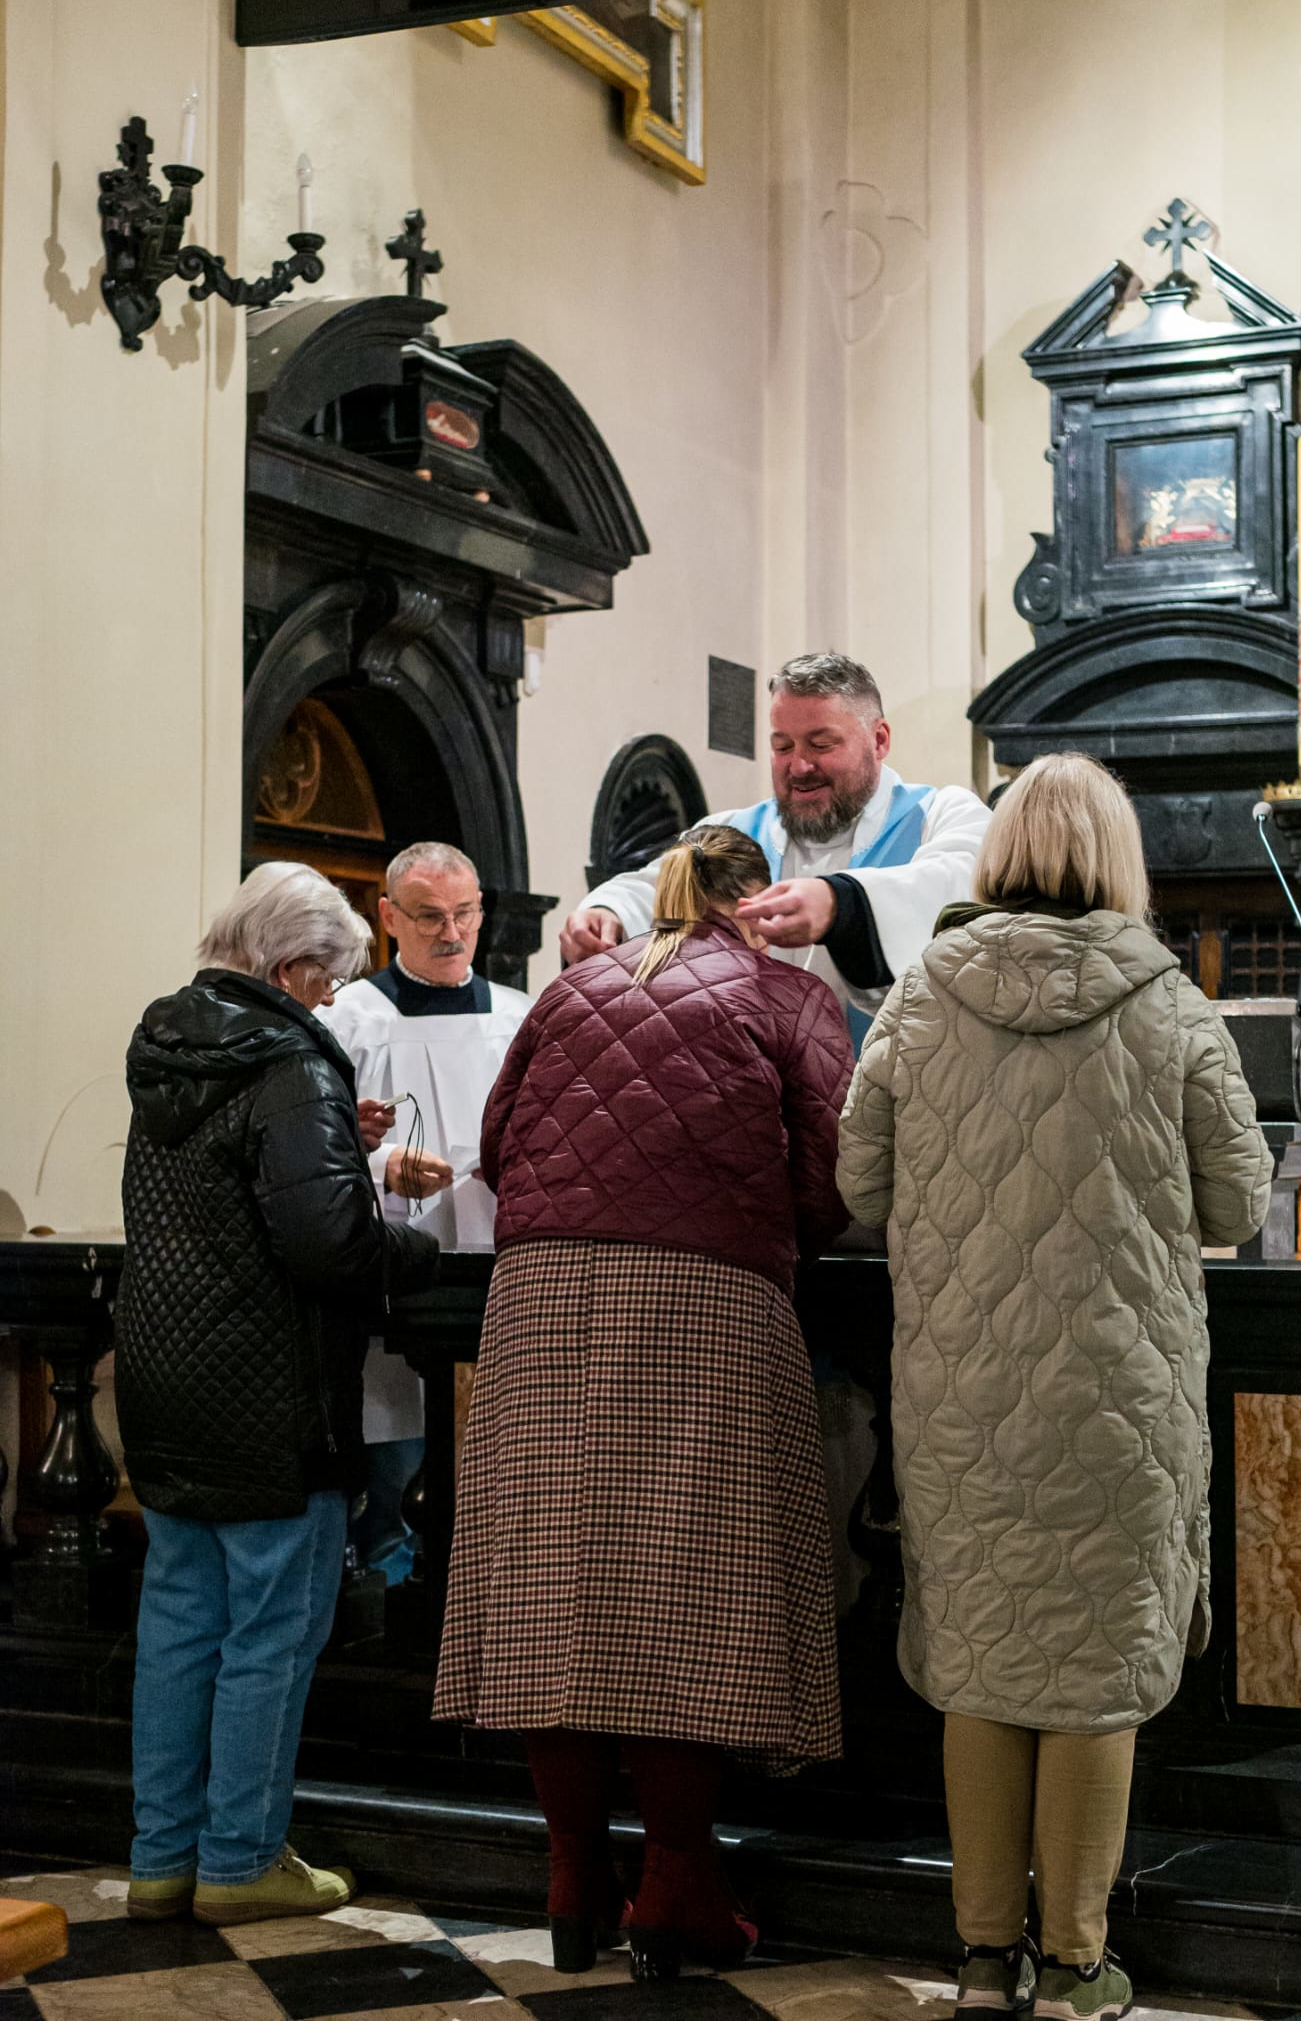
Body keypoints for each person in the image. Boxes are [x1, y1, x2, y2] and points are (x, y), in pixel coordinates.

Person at [836, 755, 1271, 2021]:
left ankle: (981, 1957)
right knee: (1093, 1665)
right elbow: (1241, 1200)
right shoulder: (1172, 1003)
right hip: (1122, 1395)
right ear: (1116, 858)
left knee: (979, 1654)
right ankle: (1077, 1965)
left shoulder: (919, 997)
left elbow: (859, 1185)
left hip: (962, 1390)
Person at [435, 825, 853, 1981]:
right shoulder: (785, 995)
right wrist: (768, 1234)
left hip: (540, 1298)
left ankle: (575, 1873)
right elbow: (836, 1176)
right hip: (704, 1301)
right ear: (754, 904)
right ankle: (679, 1876)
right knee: (687, 1583)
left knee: (550, 1581)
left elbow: (496, 1141)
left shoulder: (569, 990)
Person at [115, 862, 439, 1928]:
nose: (332, 1000)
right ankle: (242, 1858)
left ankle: (161, 1857)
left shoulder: (165, 1042)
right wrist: (413, 1250)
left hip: (165, 1377)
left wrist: (339, 1133)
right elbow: (327, 1242)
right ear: (291, 965)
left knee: (178, 1625)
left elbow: (226, 1201)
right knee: (268, 1629)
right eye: (329, 981)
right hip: (269, 1387)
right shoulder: (290, 1057)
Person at [559, 653, 993, 1049]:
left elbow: (961, 879)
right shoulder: (733, 830)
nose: (799, 767)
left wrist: (843, 906)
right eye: (783, 746)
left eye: (821, 745)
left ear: (878, 741)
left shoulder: (938, 815)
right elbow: (652, 888)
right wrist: (606, 913)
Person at [328, 841, 532, 1581]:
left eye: (465, 915)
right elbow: (316, 1150)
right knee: (395, 1472)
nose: (451, 934)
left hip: (495, 1269)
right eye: (429, 917)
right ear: (388, 917)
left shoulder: (519, 1017)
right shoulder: (348, 1020)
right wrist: (384, 1166)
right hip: (393, 1269)